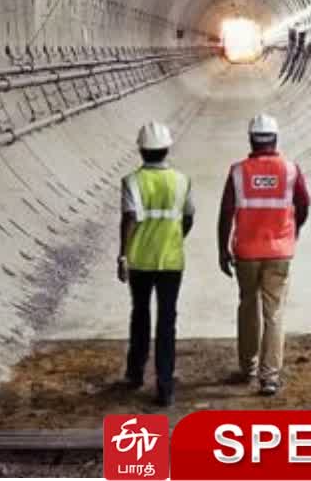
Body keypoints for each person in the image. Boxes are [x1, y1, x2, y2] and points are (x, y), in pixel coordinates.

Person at [217, 113, 310, 396]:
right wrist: (293, 231)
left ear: (251, 139)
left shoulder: (237, 171)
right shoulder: (291, 170)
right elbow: (304, 203)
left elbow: (226, 213)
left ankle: (248, 366)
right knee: (274, 312)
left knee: (247, 306)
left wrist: (222, 249)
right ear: (275, 139)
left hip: (246, 252)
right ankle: (269, 377)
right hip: (279, 252)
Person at [118, 121, 195, 407]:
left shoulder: (132, 182)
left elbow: (129, 219)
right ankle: (165, 385)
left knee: (140, 314)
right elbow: (188, 217)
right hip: (171, 261)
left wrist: (123, 255)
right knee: (167, 321)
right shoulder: (181, 181)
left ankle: (135, 372)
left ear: (141, 150)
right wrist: (174, 238)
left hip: (140, 260)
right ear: (167, 149)